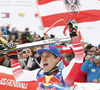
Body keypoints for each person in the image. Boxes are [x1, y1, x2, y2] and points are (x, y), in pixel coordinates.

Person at [1, 19, 84, 90]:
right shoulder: (39, 73)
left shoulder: (65, 75)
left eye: (48, 56)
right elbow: (19, 77)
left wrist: (74, 35)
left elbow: (79, 58)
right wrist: (13, 58)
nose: (43, 59)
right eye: (43, 56)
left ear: (57, 59)